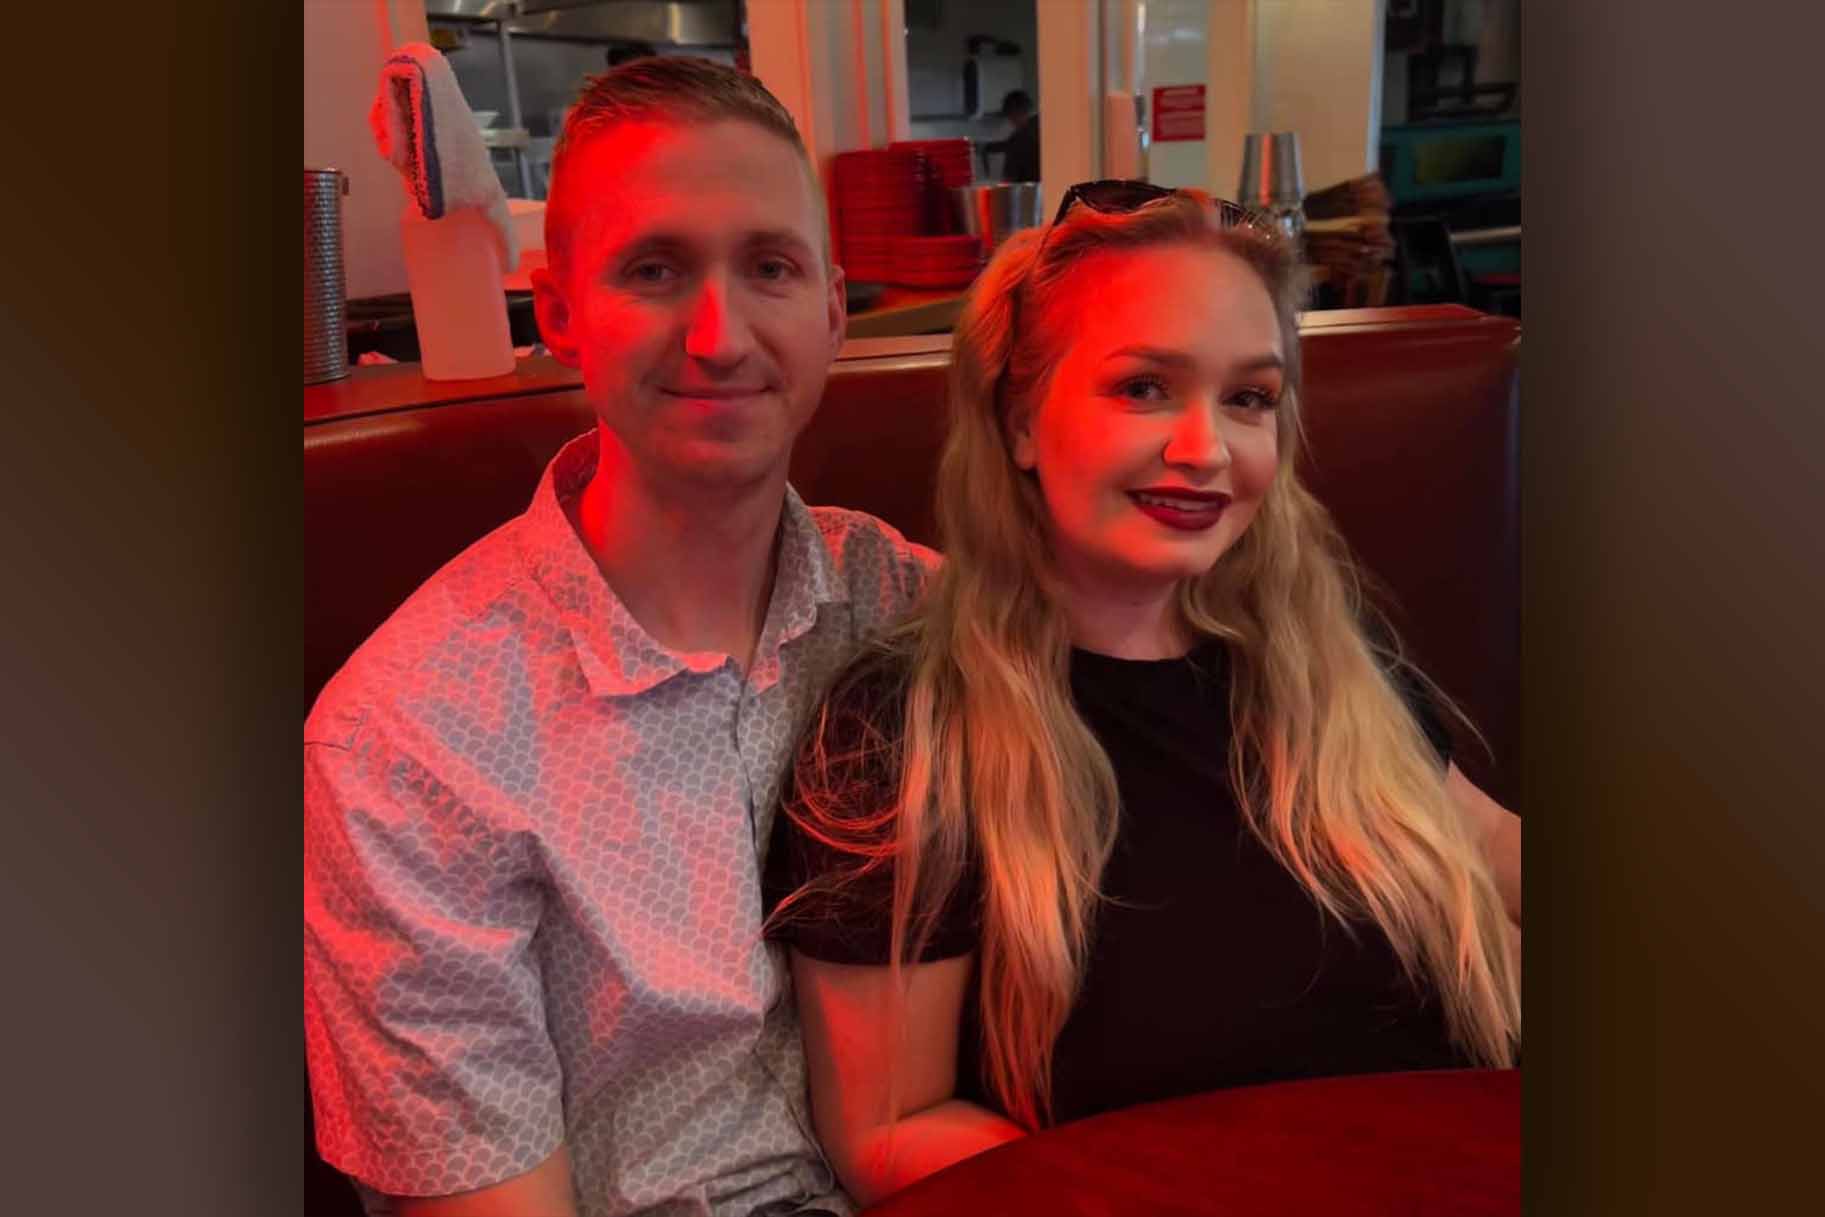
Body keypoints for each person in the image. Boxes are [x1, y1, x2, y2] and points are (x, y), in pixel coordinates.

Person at [763, 182, 1523, 1206]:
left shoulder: (1320, 656)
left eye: (1249, 398)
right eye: (1145, 389)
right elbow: (891, 1126)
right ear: (1018, 420)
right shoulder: (902, 736)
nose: (1205, 449)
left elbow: (1485, 851)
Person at [304, 57, 936, 1217]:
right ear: (558, 316)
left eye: (770, 268)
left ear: (834, 310)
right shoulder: (406, 741)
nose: (718, 334)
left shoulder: (906, 604)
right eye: (654, 270)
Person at [992, 89, 1039, 182]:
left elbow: (1009, 179)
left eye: (1010, 118)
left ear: (1013, 114)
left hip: (1029, 193)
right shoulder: (1048, 128)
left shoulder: (1018, 140)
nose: (1011, 123)